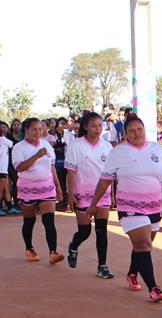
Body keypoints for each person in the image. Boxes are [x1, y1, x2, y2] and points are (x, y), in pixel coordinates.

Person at [91, 113, 162, 301]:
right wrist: (93, 203)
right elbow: (104, 181)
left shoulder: (158, 149)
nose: (136, 134)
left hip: (154, 206)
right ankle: (154, 288)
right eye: (131, 131)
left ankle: (132, 273)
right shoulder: (118, 152)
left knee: (143, 245)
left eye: (139, 129)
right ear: (125, 134)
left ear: (145, 130)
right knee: (143, 245)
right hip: (130, 206)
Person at [63, 112, 115, 278]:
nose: (98, 129)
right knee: (84, 231)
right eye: (93, 125)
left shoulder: (107, 146)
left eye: (100, 125)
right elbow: (71, 173)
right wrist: (70, 195)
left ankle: (102, 265)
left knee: (102, 231)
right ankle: (74, 246)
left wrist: (112, 193)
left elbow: (109, 174)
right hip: (83, 194)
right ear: (85, 126)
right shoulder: (76, 145)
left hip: (103, 195)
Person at [11, 117, 64, 264]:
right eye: (34, 129)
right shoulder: (19, 147)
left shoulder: (46, 144)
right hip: (27, 189)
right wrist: (36, 156)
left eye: (40, 129)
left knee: (49, 221)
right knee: (29, 221)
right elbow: (19, 167)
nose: (38, 132)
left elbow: (51, 165)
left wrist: (57, 184)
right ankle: (29, 248)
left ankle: (53, 252)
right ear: (26, 130)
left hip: (46, 188)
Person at [0, 122, 17, 216]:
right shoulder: (2, 139)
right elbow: (13, 145)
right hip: (1, 167)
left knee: (6, 187)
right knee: (0, 189)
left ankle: (9, 207)